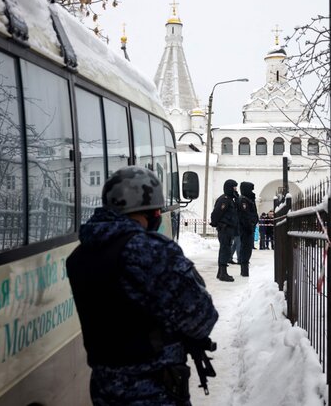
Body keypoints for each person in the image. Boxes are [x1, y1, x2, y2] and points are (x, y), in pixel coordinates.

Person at [66, 166, 218, 405]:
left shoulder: (81, 254)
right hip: (152, 389)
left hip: (104, 386)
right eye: (157, 210)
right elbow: (202, 318)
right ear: (147, 211)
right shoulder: (148, 250)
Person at [209, 179, 239, 282]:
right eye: (234, 187)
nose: (235, 189)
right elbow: (217, 213)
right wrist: (214, 223)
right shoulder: (225, 199)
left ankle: (220, 272)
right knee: (225, 250)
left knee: (225, 249)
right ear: (229, 188)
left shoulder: (230, 199)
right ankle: (223, 273)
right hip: (225, 228)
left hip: (229, 229)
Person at [237, 182, 258, 277]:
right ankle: (244, 269)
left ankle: (244, 267)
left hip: (249, 228)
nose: (252, 192)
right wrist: (249, 226)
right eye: (251, 190)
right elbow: (245, 216)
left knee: (247, 248)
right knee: (246, 248)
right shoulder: (243, 200)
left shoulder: (249, 200)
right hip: (246, 229)